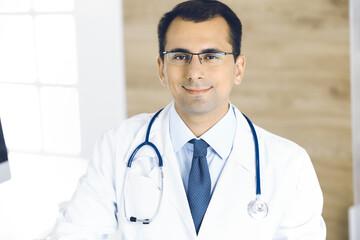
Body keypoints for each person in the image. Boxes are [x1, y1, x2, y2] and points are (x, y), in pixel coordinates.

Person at [51, 0, 326, 239]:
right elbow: (75, 232)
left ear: (238, 69)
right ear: (161, 68)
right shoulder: (117, 145)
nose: (195, 72)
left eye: (211, 56)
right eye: (179, 56)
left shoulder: (290, 164)